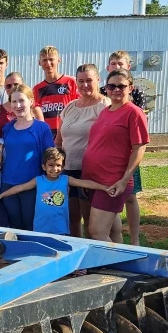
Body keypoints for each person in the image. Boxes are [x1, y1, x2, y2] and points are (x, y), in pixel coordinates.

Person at [82, 68, 149, 243]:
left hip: (113, 181)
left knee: (96, 231)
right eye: (112, 86)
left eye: (121, 86)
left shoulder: (133, 113)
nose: (116, 90)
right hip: (96, 180)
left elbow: (139, 148)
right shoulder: (106, 111)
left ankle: (114, 266)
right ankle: (118, 265)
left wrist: (124, 180)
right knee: (112, 230)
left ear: (131, 88)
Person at [0, 147, 109, 235]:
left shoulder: (66, 180)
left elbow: (85, 183)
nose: (55, 169)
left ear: (63, 167)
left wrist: (104, 187)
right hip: (41, 227)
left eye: (58, 165)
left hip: (60, 227)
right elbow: (20, 188)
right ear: (44, 167)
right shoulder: (38, 180)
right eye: (51, 165)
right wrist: (1, 195)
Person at [57, 63, 109, 238]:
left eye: (89, 80)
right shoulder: (70, 107)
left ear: (98, 80)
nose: (84, 85)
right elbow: (59, 139)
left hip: (89, 170)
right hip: (68, 169)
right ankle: (76, 254)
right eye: (81, 81)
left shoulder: (104, 106)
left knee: (89, 218)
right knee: (72, 216)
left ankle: (92, 255)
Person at [100, 50, 146, 245]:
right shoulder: (105, 94)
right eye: (113, 63)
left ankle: (135, 240)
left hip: (127, 155)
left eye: (120, 64)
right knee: (112, 198)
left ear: (128, 66)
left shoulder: (135, 95)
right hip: (108, 159)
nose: (116, 66)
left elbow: (139, 137)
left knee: (130, 197)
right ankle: (116, 235)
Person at [0, 84, 55, 231]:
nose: (18, 105)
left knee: (31, 225)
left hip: (32, 184)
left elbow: (50, 157)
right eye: (14, 102)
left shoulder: (41, 128)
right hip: (8, 183)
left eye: (21, 101)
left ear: (31, 101)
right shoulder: (7, 128)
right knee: (14, 226)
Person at [33, 45, 79, 138]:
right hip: (46, 136)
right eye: (44, 60)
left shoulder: (71, 82)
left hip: (68, 134)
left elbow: (80, 108)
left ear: (58, 60)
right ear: (39, 63)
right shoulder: (36, 89)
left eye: (51, 59)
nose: (48, 63)